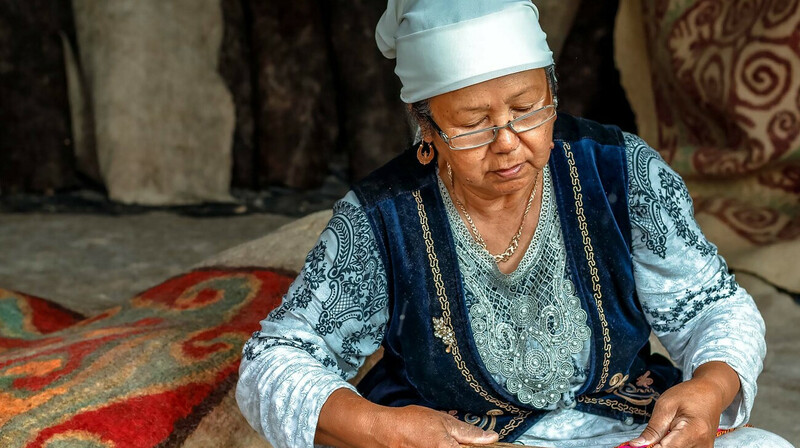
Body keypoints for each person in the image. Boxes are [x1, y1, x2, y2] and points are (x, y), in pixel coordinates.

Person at [236, 1, 795, 447]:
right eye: (473, 125)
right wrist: (390, 431)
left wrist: (709, 388)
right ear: (425, 127)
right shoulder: (382, 216)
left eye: (528, 109)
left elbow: (711, 306)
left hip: (625, 429)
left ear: (553, 91)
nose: (507, 144)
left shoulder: (619, 170)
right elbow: (275, 362)